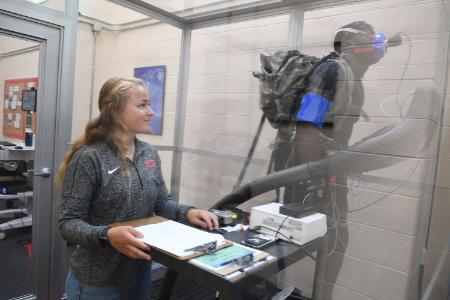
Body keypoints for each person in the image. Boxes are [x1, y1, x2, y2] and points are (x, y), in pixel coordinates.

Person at [58, 77, 219, 300]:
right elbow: (68, 224)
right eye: (142, 105)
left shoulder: (149, 153)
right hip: (98, 283)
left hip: (140, 273)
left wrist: (188, 213)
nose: (151, 112)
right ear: (114, 111)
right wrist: (108, 236)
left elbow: (162, 202)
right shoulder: (89, 157)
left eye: (149, 104)